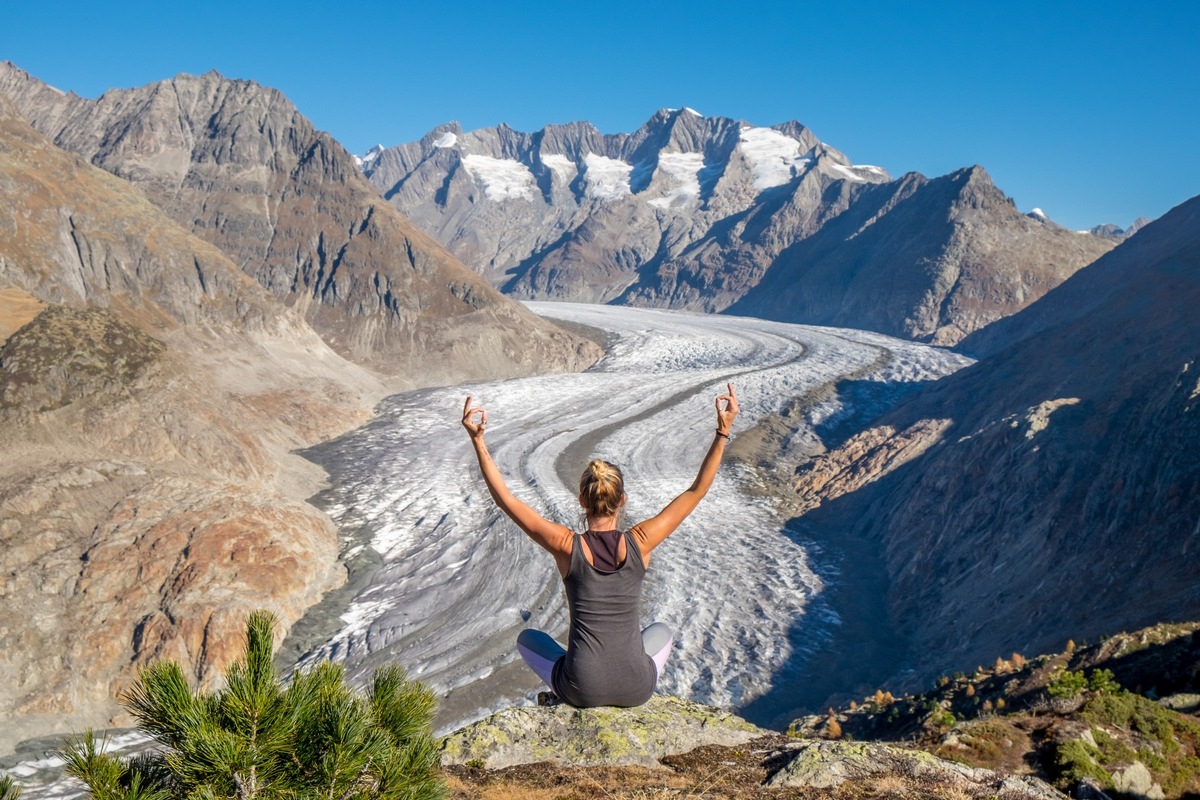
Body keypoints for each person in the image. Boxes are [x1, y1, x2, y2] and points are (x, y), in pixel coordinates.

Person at [461, 383, 739, 708]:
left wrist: (478, 441)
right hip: (638, 688)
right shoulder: (641, 542)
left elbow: (506, 500)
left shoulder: (567, 546)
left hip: (581, 688)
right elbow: (695, 492)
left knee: (528, 639)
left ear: (581, 501)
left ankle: (560, 690)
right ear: (623, 500)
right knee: (660, 629)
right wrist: (723, 432)